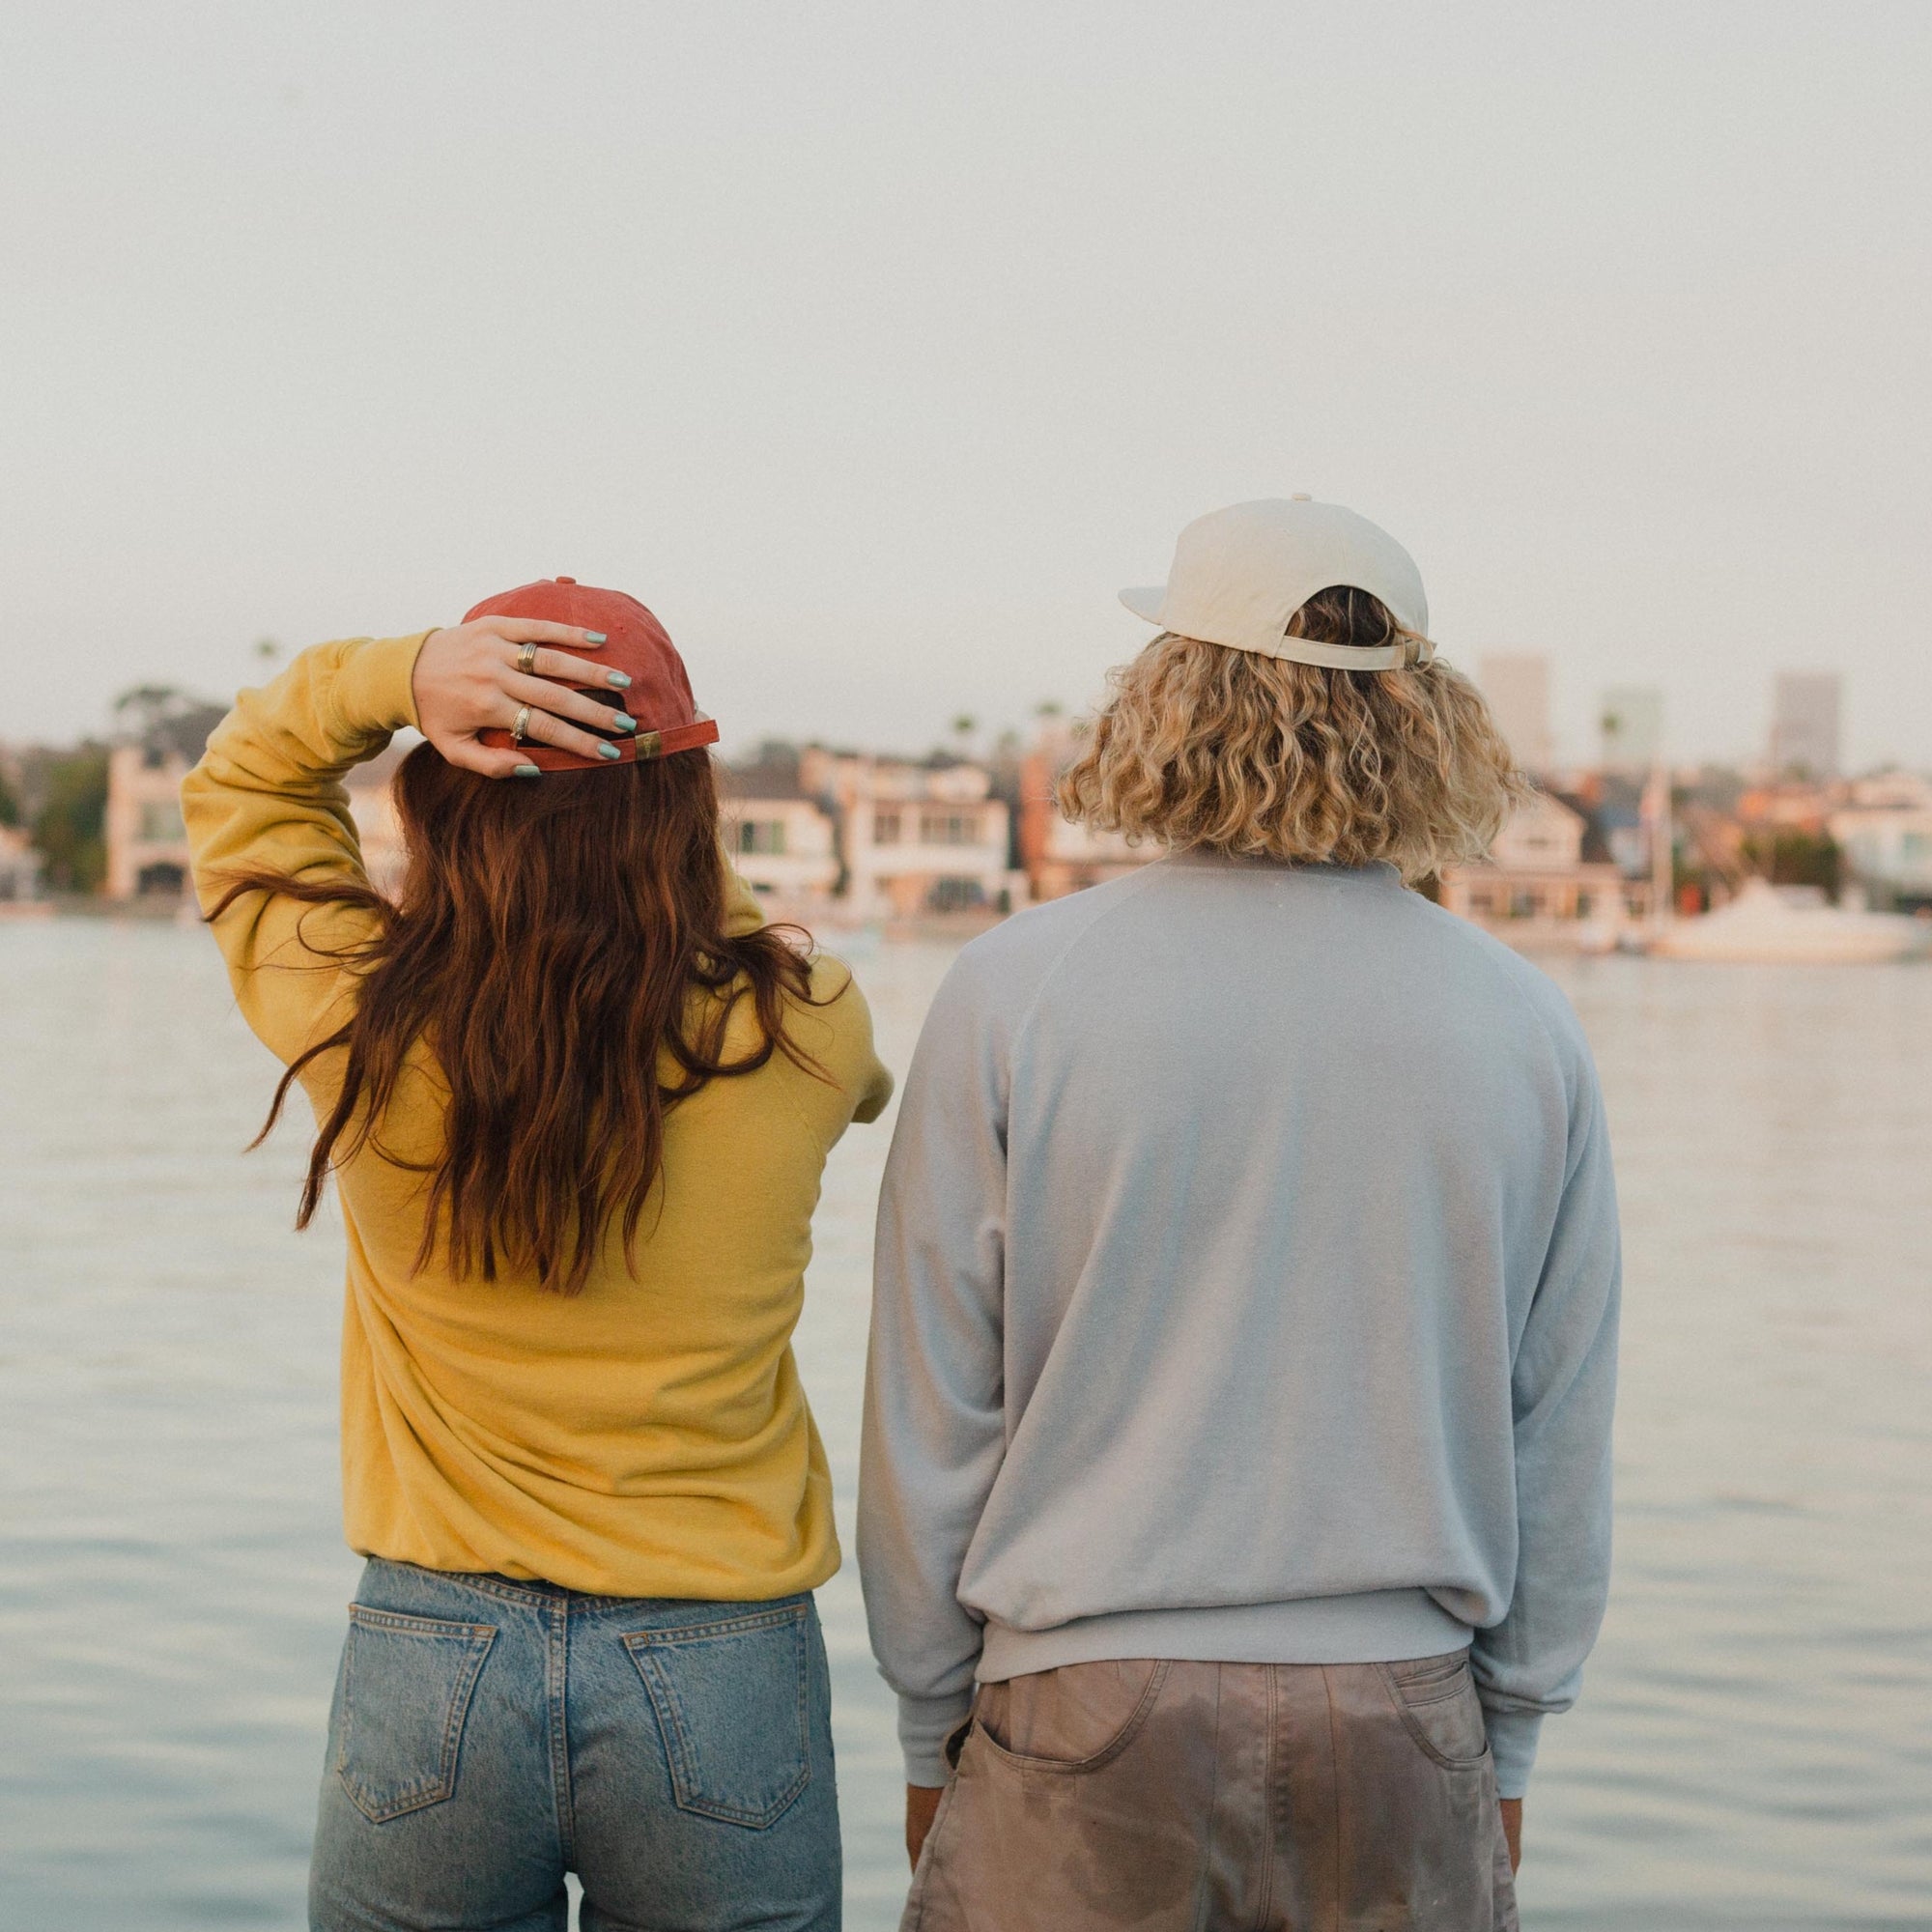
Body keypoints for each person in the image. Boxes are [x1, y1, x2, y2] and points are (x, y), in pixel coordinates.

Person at [860, 499, 1620, 1932]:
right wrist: (1511, 1740)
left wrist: (924, 1727)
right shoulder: (1523, 1024)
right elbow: (1559, 1429)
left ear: (1170, 695)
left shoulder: (1019, 989)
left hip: (1076, 1706)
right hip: (1406, 1716)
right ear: (1422, 717)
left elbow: (933, 1413)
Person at [184, 579, 891, 1932]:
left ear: (443, 804)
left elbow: (244, 787)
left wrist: (405, 678)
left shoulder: (364, 1023)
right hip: (717, 1655)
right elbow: (787, 996)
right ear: (688, 811)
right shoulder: (805, 1028)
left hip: (432, 1655)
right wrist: (650, 813)